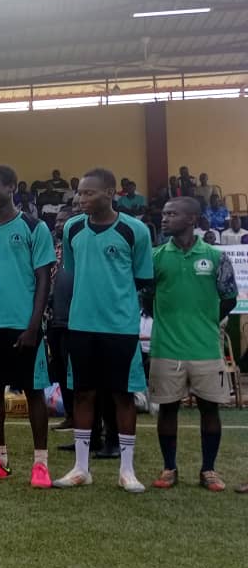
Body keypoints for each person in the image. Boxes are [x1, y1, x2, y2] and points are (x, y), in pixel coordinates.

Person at [53, 168, 154, 493]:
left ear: (110, 193)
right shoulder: (72, 228)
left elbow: (142, 277)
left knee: (122, 395)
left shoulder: (135, 230)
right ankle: (81, 468)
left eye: (89, 193)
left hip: (120, 327)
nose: (81, 198)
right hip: (81, 325)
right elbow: (73, 270)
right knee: (83, 394)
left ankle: (127, 470)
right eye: (79, 193)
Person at [0, 165, 57, 488]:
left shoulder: (34, 227)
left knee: (34, 391)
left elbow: (44, 279)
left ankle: (40, 465)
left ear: (12, 187)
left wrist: (33, 325)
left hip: (23, 325)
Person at [147, 198, 238, 492]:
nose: (164, 218)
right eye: (164, 214)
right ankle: (169, 468)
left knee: (210, 411)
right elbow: (146, 297)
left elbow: (229, 298)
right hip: (166, 348)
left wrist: (205, 320)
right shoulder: (155, 257)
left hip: (205, 349)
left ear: (191, 219)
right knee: (167, 410)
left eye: (171, 214)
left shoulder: (215, 257)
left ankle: (208, 470)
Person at [47, 207, 76, 432]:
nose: (58, 224)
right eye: (57, 220)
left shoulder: (79, 248)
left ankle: (91, 421)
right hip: (54, 318)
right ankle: (70, 415)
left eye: (64, 220)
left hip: (75, 319)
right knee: (60, 369)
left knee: (76, 371)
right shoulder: (54, 249)